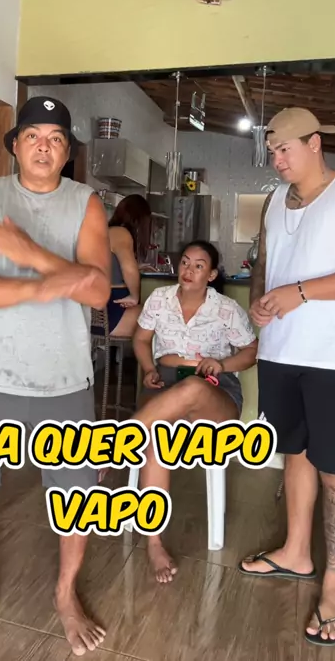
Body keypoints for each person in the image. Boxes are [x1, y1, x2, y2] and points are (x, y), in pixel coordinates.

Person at [0, 96, 111, 657]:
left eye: (56, 138)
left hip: (66, 380)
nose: (43, 146)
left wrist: (29, 252)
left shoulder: (86, 204)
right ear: (14, 145)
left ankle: (65, 595)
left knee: (75, 505)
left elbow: (98, 291)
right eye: (33, 135)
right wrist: (44, 285)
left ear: (67, 152)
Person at [238, 107, 335, 648]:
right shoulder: (273, 202)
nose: (277, 160)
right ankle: (295, 552)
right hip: (280, 353)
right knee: (296, 454)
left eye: (284, 149)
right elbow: (266, 268)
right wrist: (260, 304)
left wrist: (302, 293)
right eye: (272, 152)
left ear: (315, 143)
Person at [132, 240, 257, 582]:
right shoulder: (160, 299)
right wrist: (149, 369)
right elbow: (141, 340)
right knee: (156, 439)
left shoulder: (226, 309)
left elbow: (251, 351)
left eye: (198, 266)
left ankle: (114, 443)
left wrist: (222, 364)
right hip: (165, 382)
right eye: (185, 262)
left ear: (212, 274)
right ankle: (154, 543)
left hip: (215, 391)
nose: (188, 270)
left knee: (192, 388)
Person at [106, 194, 151, 337]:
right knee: (163, 318)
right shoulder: (121, 233)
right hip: (112, 311)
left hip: (96, 312)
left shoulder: (107, 231)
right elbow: (129, 269)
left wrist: (138, 267)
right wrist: (134, 296)